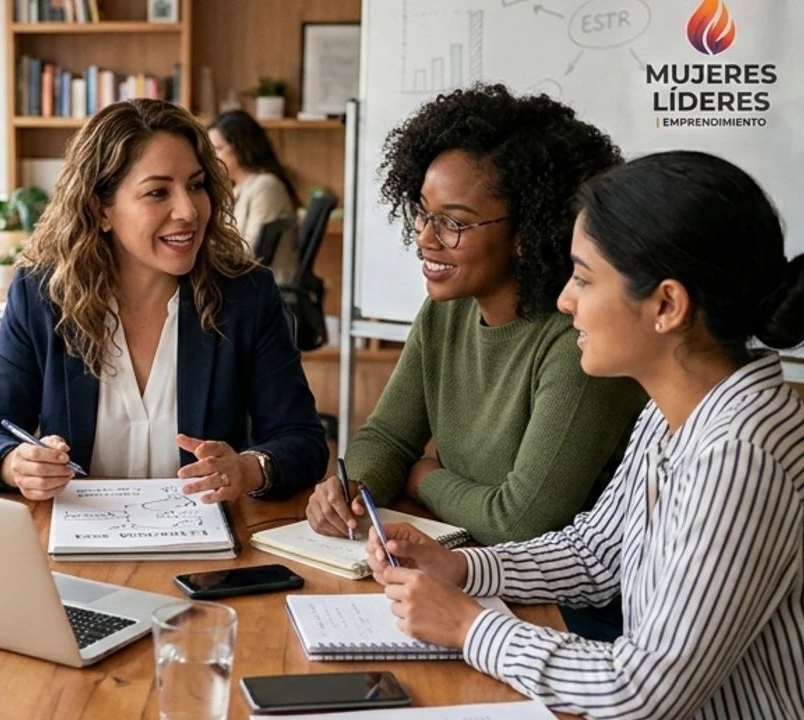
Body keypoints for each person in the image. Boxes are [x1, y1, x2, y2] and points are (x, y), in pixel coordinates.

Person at [366, 150, 804, 720]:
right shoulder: (676, 412)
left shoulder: (739, 456)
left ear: (666, 304)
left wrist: (470, 627)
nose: (564, 299)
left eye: (583, 277)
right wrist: (464, 568)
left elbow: (644, 690)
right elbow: (595, 553)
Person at [307, 84, 647, 549]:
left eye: (453, 222)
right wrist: (354, 489)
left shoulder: (580, 340)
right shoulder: (445, 311)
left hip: (549, 585)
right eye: (422, 213)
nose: (425, 238)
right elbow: (388, 436)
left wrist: (424, 479)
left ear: (527, 232)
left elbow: (520, 522)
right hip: (463, 563)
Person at [0, 98, 328, 503]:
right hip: (76, 531)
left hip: (207, 537)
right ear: (100, 210)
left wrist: (248, 469)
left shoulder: (247, 295)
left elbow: (302, 440)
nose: (188, 211)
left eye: (196, 185)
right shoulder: (41, 294)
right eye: (158, 192)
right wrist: (15, 463)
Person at [207, 110, 300, 283]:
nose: (212, 158)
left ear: (242, 148)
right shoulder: (236, 188)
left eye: (218, 149)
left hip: (260, 286)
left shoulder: (266, 186)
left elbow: (251, 251)